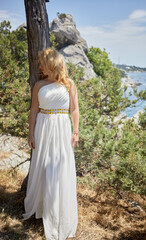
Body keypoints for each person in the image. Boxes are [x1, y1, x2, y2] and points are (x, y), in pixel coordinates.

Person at [22, 48, 79, 240]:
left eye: (42, 63)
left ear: (51, 64)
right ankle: (42, 207)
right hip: (43, 128)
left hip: (62, 130)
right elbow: (33, 111)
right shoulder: (38, 85)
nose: (39, 67)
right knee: (43, 167)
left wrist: (76, 131)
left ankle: (58, 212)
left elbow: (74, 109)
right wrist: (30, 132)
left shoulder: (69, 84)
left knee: (60, 169)